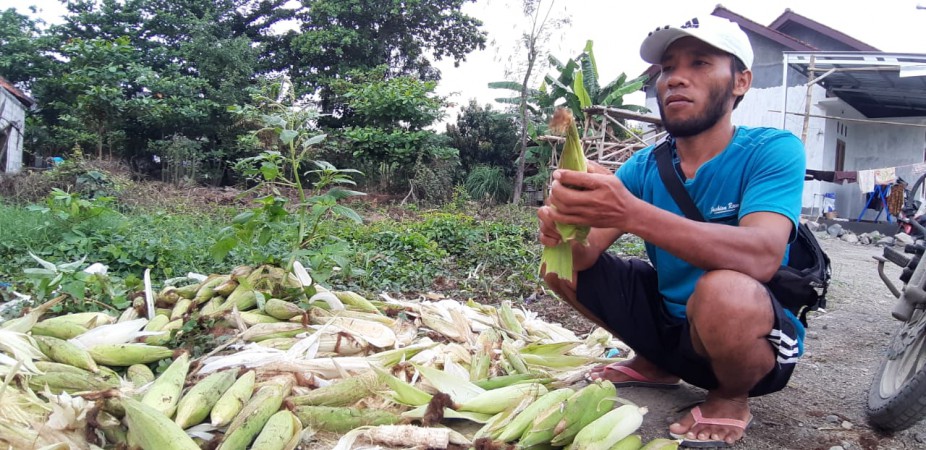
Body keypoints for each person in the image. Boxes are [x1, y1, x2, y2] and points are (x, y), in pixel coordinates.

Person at [538, 16, 806, 447]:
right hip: (671, 327)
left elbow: (762, 256)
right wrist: (562, 229)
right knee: (558, 267)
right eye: (668, 67)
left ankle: (731, 396)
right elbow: (583, 259)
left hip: (745, 331)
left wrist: (631, 213)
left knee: (725, 292)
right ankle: (656, 364)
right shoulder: (644, 166)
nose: (677, 78)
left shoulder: (772, 150)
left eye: (700, 63)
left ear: (740, 81)